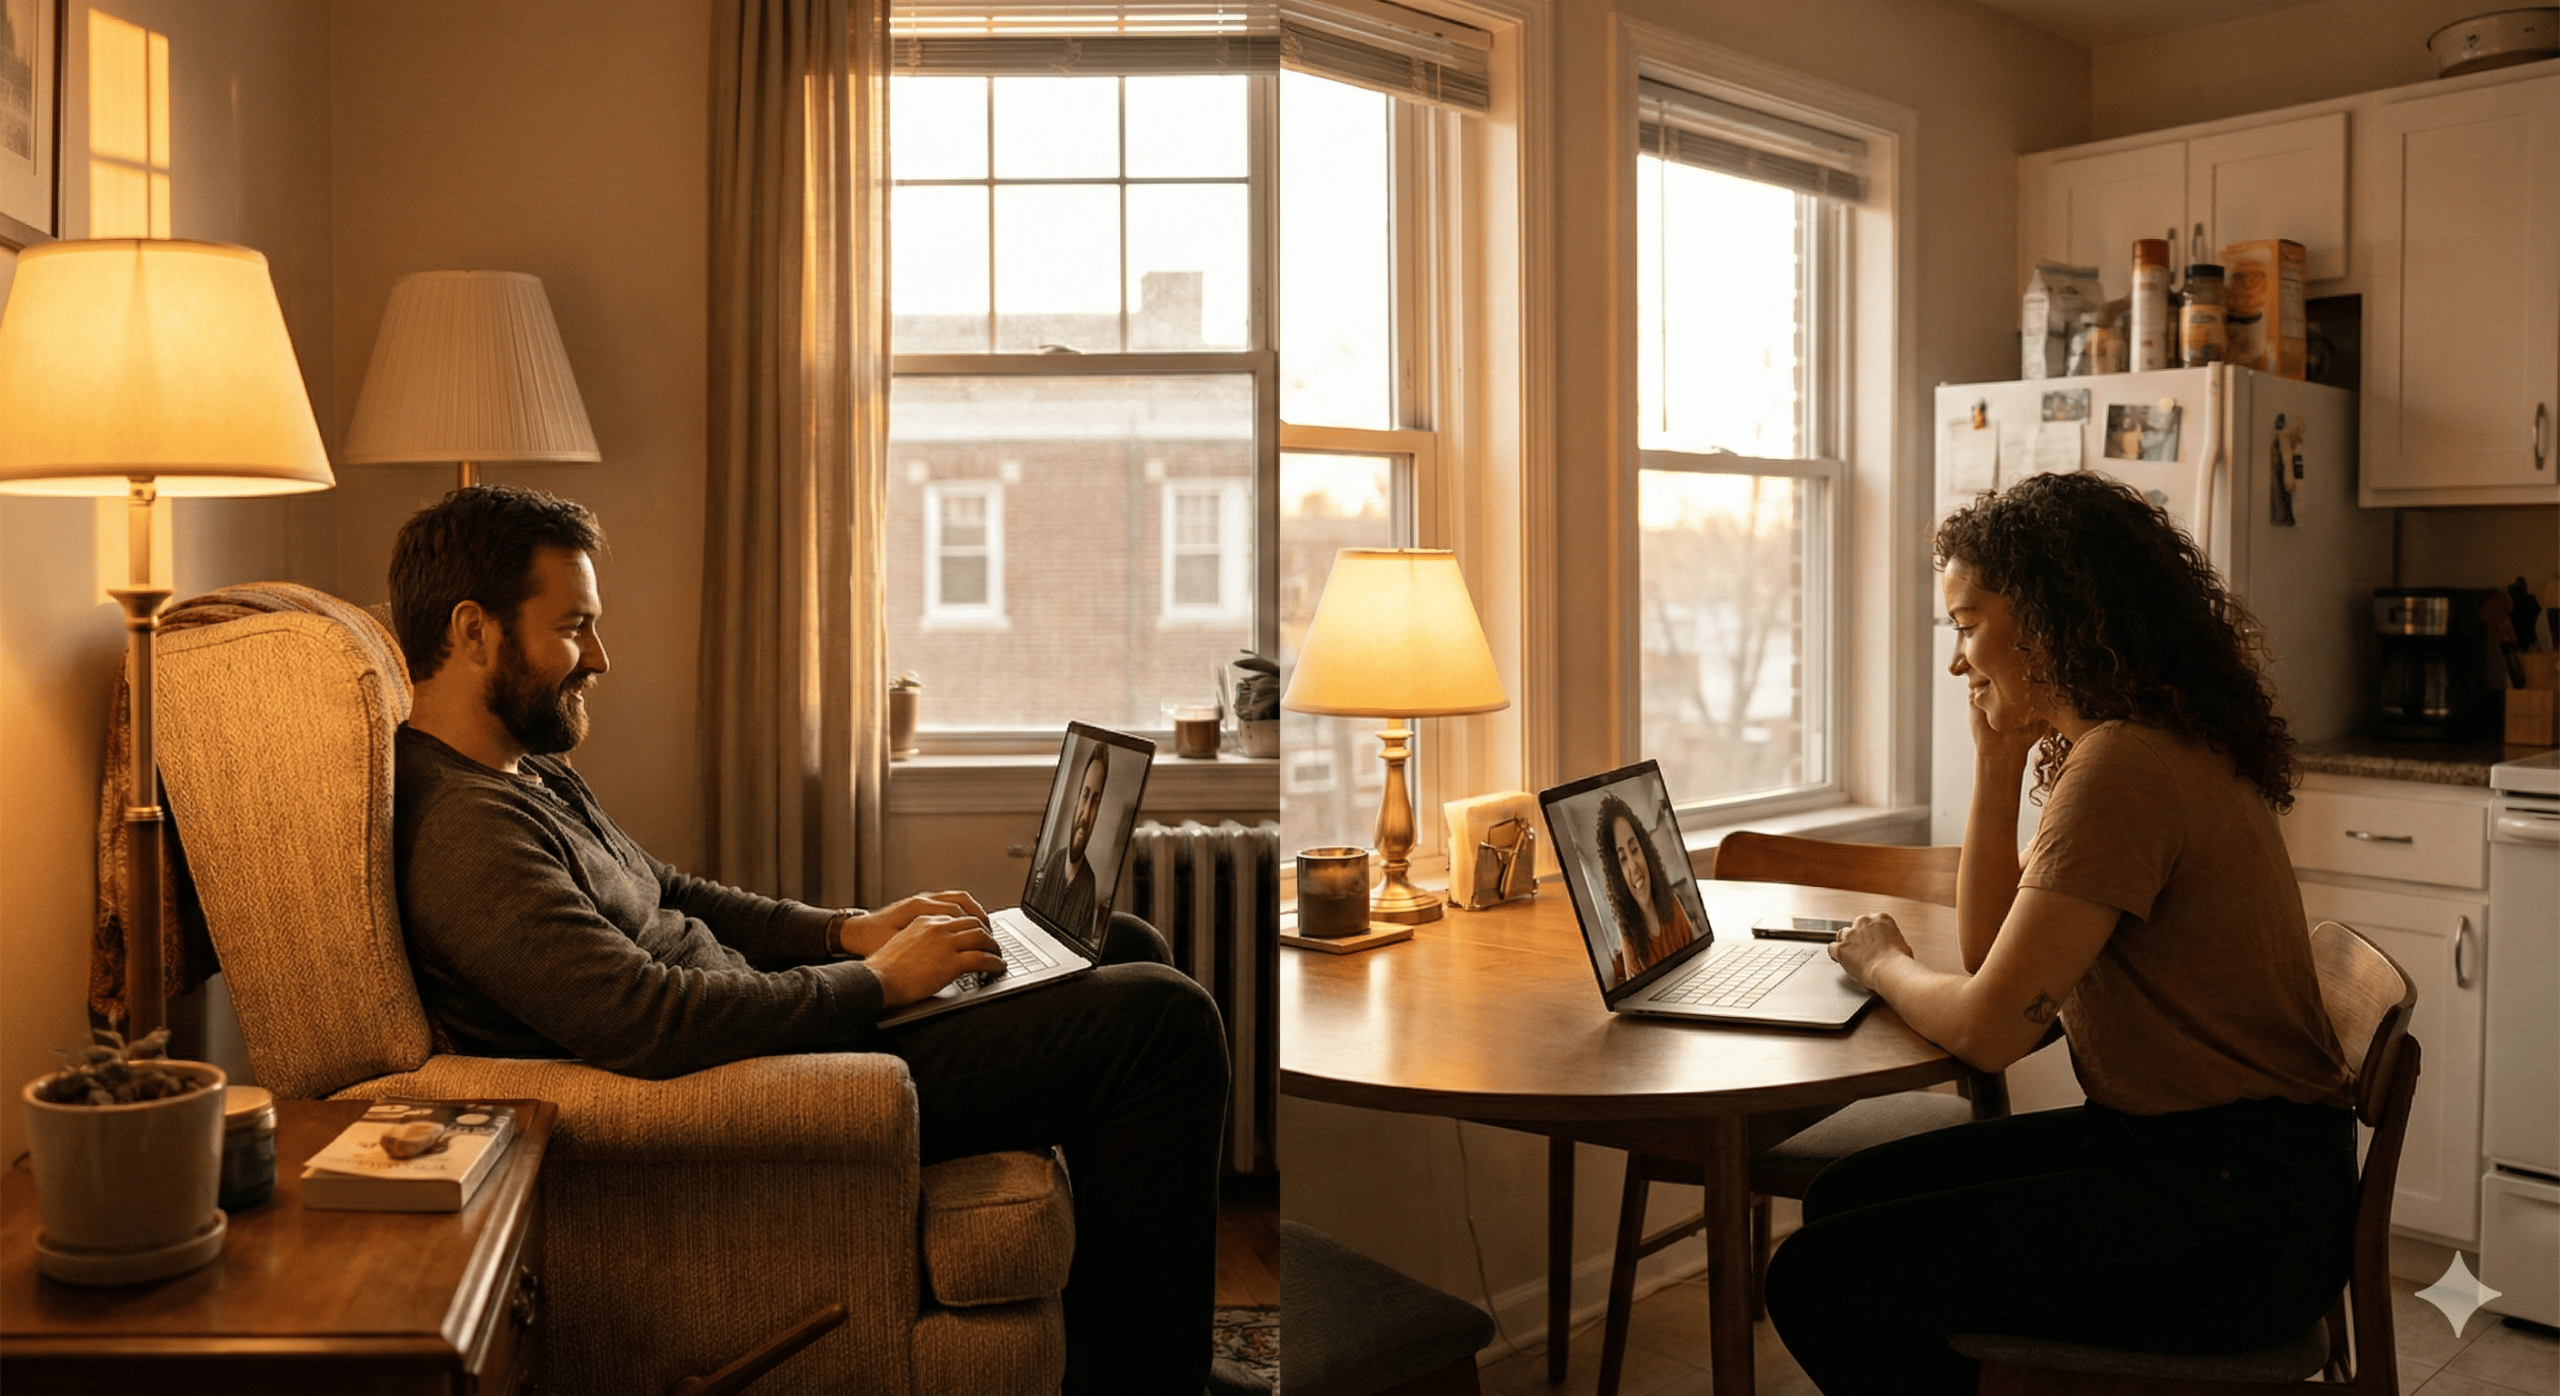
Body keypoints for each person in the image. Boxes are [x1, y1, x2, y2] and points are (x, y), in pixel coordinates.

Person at [386, 485, 1234, 1395]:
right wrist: (876, 982)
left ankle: (1130, 1349)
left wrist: (845, 930)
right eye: (573, 627)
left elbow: (668, 890)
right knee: (1164, 1025)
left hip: (780, 1023)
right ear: (474, 631)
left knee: (1126, 940)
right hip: (773, 1078)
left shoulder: (528, 774)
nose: (599, 656)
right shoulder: (464, 833)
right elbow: (645, 1022)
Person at [1762, 471, 2355, 1395]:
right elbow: (1991, 964)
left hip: (2231, 1214)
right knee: (1847, 1195)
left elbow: (1991, 1032)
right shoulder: (2139, 742)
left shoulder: (2125, 769)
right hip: (2224, 1169)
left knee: (1821, 1279)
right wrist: (1998, 766)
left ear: (2049, 615)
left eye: (1966, 623)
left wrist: (1880, 963)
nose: (1957, 660)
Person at [1593, 790, 1694, 981]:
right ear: (1617, 876)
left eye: (1635, 850)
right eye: (1622, 860)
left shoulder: (1673, 902)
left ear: (1645, 852)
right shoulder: (1630, 940)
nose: (1634, 867)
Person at [1026, 739, 1112, 944]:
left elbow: (1082, 950)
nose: (1085, 815)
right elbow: (1032, 924)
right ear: (1076, 802)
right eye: (1085, 796)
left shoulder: (1089, 883)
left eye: (1095, 802)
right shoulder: (1055, 860)